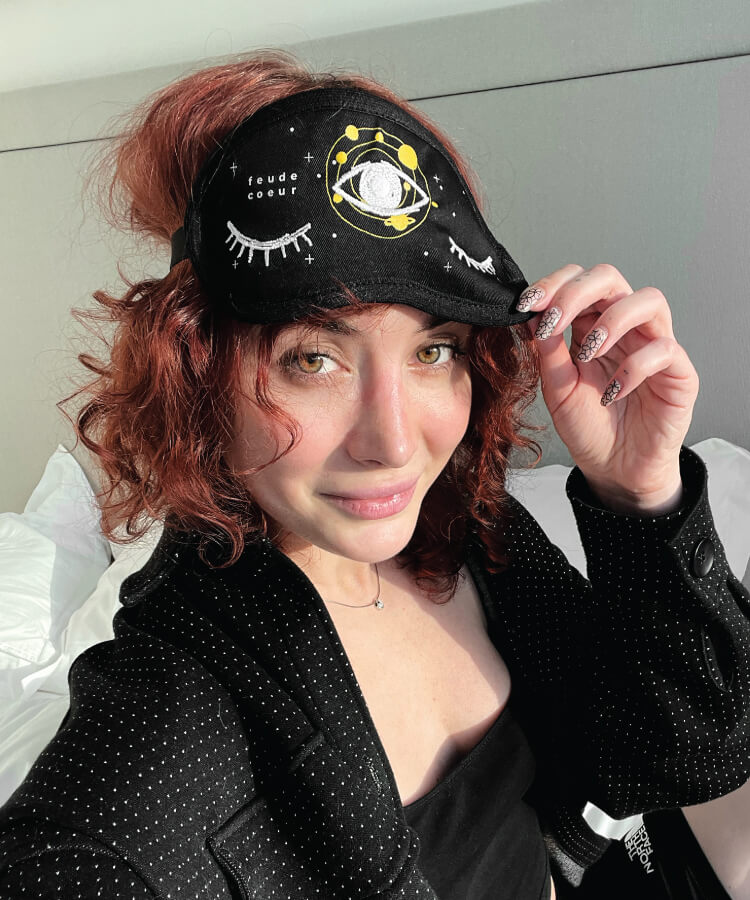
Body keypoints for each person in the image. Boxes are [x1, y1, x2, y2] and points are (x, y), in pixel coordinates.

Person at [1, 49, 749, 900]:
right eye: (313, 358)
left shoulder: (463, 526)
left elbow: (683, 754)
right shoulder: (176, 707)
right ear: (197, 375)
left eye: (434, 351)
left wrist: (640, 495)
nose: (394, 445)